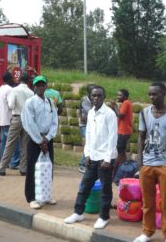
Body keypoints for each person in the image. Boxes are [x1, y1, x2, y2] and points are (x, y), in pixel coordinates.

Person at [133, 82, 166, 242]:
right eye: (150, 94)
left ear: (163, 94)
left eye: (155, 94)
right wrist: (140, 162)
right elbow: (141, 137)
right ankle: (147, 232)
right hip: (147, 164)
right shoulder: (144, 112)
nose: (151, 97)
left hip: (164, 164)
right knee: (147, 202)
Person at [64, 85, 118, 229]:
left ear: (104, 97)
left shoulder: (109, 114)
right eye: (93, 96)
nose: (96, 98)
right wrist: (87, 154)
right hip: (92, 157)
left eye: (99, 95)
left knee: (105, 189)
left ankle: (104, 216)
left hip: (105, 159)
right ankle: (78, 212)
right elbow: (88, 134)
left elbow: (113, 138)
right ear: (90, 97)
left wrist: (107, 159)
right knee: (84, 186)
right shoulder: (91, 113)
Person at [21, 75, 58, 209]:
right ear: (34, 87)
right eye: (38, 85)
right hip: (35, 140)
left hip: (47, 139)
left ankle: (46, 195)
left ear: (46, 86)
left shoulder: (49, 102)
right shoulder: (30, 102)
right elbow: (28, 123)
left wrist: (48, 138)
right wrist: (39, 139)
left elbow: (55, 121)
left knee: (48, 167)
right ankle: (32, 197)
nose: (40, 87)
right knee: (32, 168)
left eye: (43, 85)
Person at [0, 73, 34, 176]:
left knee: (9, 144)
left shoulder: (15, 90)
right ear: (28, 81)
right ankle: (23, 169)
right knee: (25, 145)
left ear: (19, 80)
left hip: (17, 118)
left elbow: (11, 105)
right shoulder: (31, 92)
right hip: (27, 120)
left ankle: (2, 168)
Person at [0, 72, 20, 168]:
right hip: (10, 119)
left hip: (2, 119)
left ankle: (3, 162)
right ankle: (13, 163)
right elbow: (11, 105)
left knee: (3, 142)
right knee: (14, 142)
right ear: (10, 79)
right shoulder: (10, 90)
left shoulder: (0, 89)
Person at [110, 89, 133, 178]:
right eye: (117, 95)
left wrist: (114, 106)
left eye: (120, 95)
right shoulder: (126, 103)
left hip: (123, 131)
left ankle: (114, 172)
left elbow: (121, 115)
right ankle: (124, 172)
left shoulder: (126, 103)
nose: (117, 97)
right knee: (122, 152)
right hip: (123, 131)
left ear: (125, 97)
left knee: (119, 152)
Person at [78, 84, 95, 173]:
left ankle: (87, 163)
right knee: (88, 143)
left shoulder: (95, 100)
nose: (95, 95)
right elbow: (91, 112)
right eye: (93, 93)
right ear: (89, 93)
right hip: (84, 125)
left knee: (91, 144)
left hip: (91, 125)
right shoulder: (85, 100)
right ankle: (82, 164)